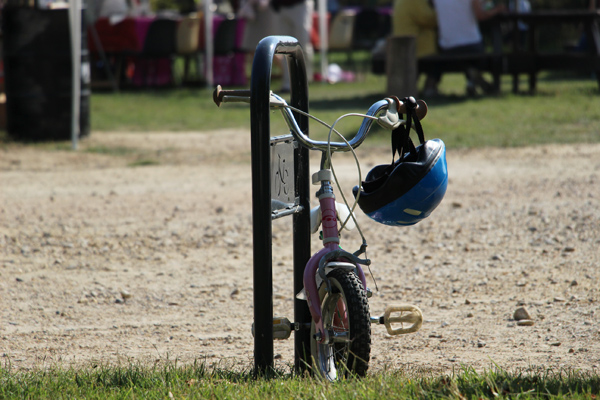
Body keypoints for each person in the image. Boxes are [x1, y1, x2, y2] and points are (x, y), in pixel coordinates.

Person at [433, 0, 505, 95]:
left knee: (461, 57)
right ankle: (474, 79)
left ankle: (472, 79)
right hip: (472, 45)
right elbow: (480, 15)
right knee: (481, 54)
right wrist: (497, 9)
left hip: (447, 47)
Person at [239, 0, 314, 91]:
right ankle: (288, 83)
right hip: (280, 8)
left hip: (299, 5)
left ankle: (305, 80)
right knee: (285, 48)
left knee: (302, 45)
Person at [392, 0, 439, 95]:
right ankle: (430, 88)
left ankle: (417, 88)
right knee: (440, 60)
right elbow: (428, 19)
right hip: (416, 46)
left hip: (402, 45)